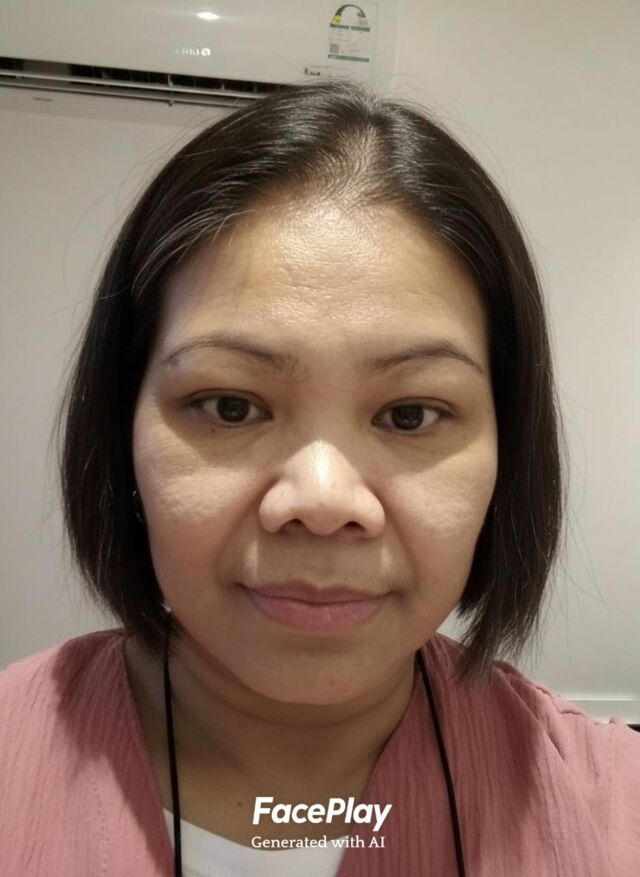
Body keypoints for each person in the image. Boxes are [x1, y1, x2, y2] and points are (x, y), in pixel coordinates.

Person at [0, 79, 638, 877]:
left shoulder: (613, 815)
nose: (325, 502)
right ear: (120, 433)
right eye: (231, 406)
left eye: (410, 414)